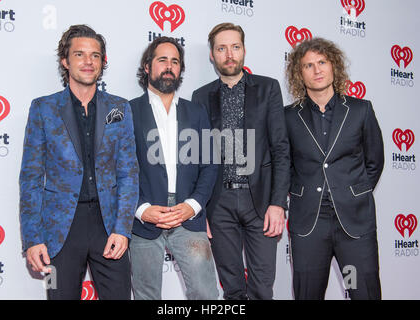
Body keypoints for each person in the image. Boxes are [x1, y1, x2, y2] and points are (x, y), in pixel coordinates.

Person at [19, 24, 138, 300]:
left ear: (102, 62)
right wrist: (33, 238)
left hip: (108, 227)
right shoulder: (43, 108)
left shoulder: (119, 108)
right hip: (60, 231)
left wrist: (123, 229)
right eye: (80, 54)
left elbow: (128, 173)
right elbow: (31, 179)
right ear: (65, 61)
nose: (88, 61)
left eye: (95, 55)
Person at [191, 23, 290, 300]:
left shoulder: (268, 88)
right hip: (219, 204)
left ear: (244, 50)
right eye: (221, 48)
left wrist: (278, 203)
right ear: (212, 55)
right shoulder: (200, 96)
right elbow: (197, 158)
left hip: (260, 201)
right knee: (232, 289)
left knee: (261, 288)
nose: (229, 54)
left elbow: (281, 148)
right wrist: (200, 209)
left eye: (235, 47)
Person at [284, 37, 384, 300]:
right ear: (299, 73)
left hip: (354, 224)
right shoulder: (288, 117)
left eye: (322, 62)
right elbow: (285, 165)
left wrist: (352, 192)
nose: (317, 70)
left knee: (362, 292)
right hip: (309, 225)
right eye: (308, 65)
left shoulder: (361, 110)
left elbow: (374, 161)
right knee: (308, 295)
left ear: (333, 66)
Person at [129, 37, 219, 300]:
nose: (169, 66)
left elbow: (210, 164)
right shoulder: (127, 111)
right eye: (162, 60)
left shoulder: (196, 112)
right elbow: (118, 169)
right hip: (143, 219)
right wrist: (142, 210)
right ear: (147, 66)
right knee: (147, 295)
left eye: (175, 61)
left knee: (205, 292)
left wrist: (194, 204)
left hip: (188, 216)